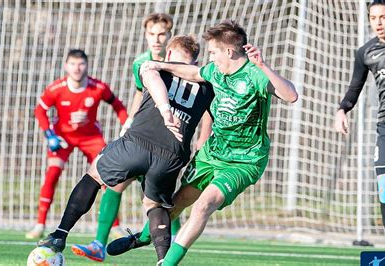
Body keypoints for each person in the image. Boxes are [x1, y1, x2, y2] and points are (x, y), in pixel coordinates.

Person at [115, 20, 298, 265]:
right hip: (212, 154)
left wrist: (263, 65)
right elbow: (192, 72)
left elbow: (291, 95)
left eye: (213, 51)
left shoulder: (255, 75)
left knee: (203, 205)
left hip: (244, 161)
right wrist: (158, 65)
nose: (209, 56)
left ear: (229, 52)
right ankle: (145, 236)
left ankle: (166, 263)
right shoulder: (215, 71)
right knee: (177, 202)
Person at [36, 35, 214, 265]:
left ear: (169, 55)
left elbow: (150, 77)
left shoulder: (154, 66)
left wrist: (164, 108)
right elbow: (213, 115)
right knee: (155, 205)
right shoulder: (207, 85)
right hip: (171, 155)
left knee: (94, 175)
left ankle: (60, 234)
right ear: (195, 61)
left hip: (137, 142)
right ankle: (163, 260)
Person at [72, 13, 198, 262]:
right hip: (143, 137)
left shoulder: (184, 64)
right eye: (151, 34)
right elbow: (142, 94)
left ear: (170, 36)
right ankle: (99, 243)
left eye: (161, 34)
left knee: (163, 203)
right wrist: (129, 122)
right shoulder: (141, 61)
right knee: (116, 184)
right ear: (145, 35)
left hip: (169, 144)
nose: (156, 39)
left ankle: (168, 253)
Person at [25, 49, 128, 239]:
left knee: (107, 178)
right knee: (53, 173)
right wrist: (49, 134)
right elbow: (40, 110)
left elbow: (118, 106)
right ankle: (39, 224)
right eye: (72, 64)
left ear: (87, 66)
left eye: (81, 64)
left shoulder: (98, 88)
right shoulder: (56, 88)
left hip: (91, 138)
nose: (77, 68)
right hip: (63, 138)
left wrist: (126, 125)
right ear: (66, 66)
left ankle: (115, 226)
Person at [334, 0, 385, 264]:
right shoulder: (365, 52)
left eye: (384, 17)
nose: (378, 23)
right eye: (374, 18)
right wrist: (341, 110)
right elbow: (354, 89)